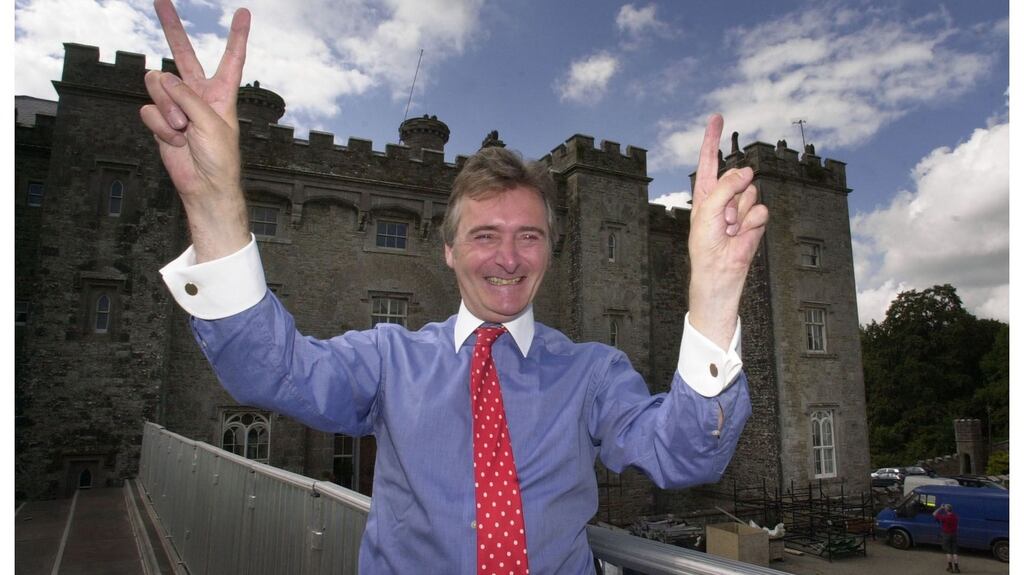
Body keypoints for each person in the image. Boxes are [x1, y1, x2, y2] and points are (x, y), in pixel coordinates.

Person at [141, 0, 769, 572]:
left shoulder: (593, 374)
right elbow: (268, 372)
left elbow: (687, 456)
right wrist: (217, 200)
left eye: (529, 235)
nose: (507, 257)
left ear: (551, 251)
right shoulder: (390, 359)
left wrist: (714, 291)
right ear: (447, 250)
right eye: (484, 235)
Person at [933, 503, 961, 573]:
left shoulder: (945, 518)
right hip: (954, 534)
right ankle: (957, 568)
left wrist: (940, 508)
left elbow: (934, 514)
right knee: (955, 552)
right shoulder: (955, 517)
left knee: (948, 552)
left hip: (946, 535)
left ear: (946, 510)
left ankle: (950, 567)